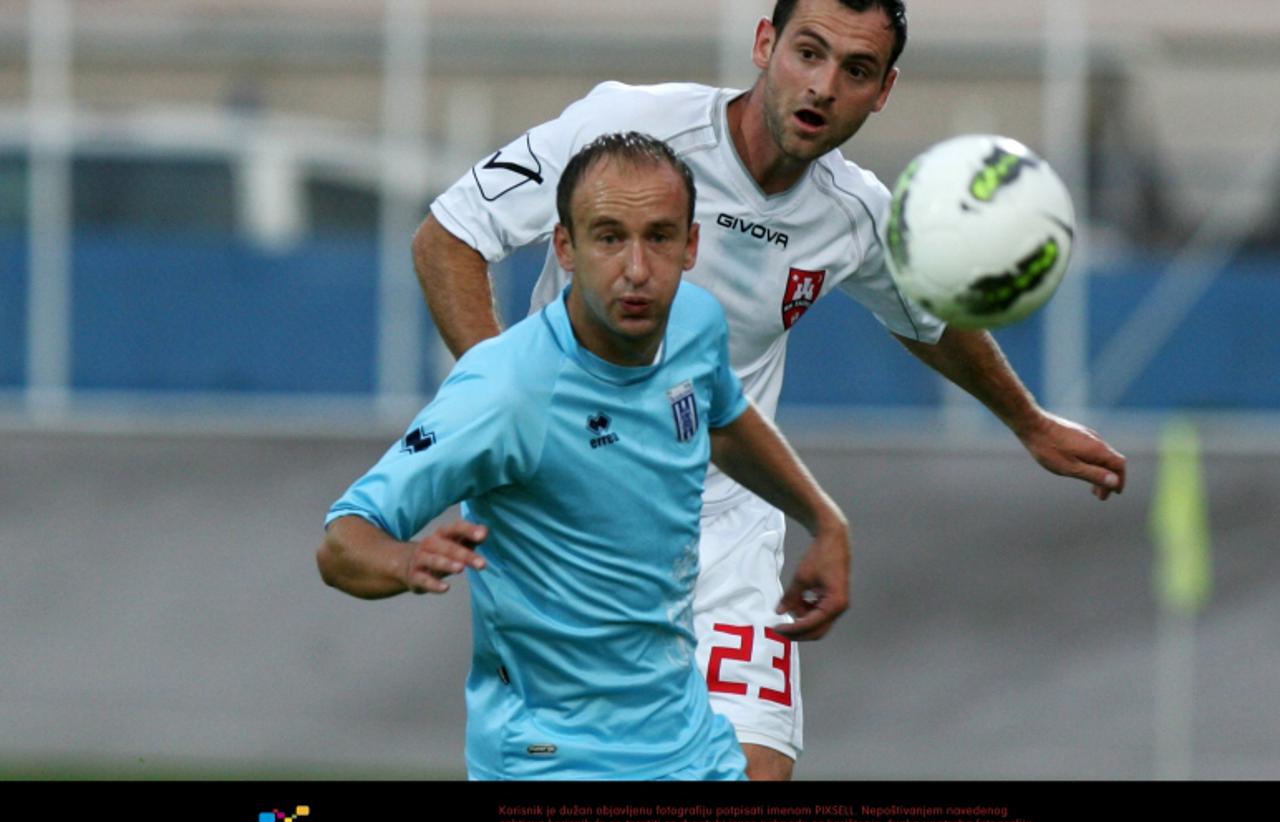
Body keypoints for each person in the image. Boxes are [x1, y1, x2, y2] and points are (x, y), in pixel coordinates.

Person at [413, 0, 1127, 781]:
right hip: (575, 522)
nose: (822, 87)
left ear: (883, 91)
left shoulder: (855, 215)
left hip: (727, 532)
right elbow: (448, 236)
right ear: (765, 45)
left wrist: (1028, 422)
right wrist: (508, 402)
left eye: (855, 71)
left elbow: (929, 318)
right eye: (808, 53)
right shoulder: (629, 128)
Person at [318, 132, 852, 780]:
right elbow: (342, 542)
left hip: (683, 745)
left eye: (658, 237)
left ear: (692, 246)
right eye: (608, 237)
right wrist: (407, 560)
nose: (635, 267)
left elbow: (728, 419)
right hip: (552, 759)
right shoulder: (507, 389)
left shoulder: (694, 325)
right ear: (564, 247)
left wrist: (822, 520)